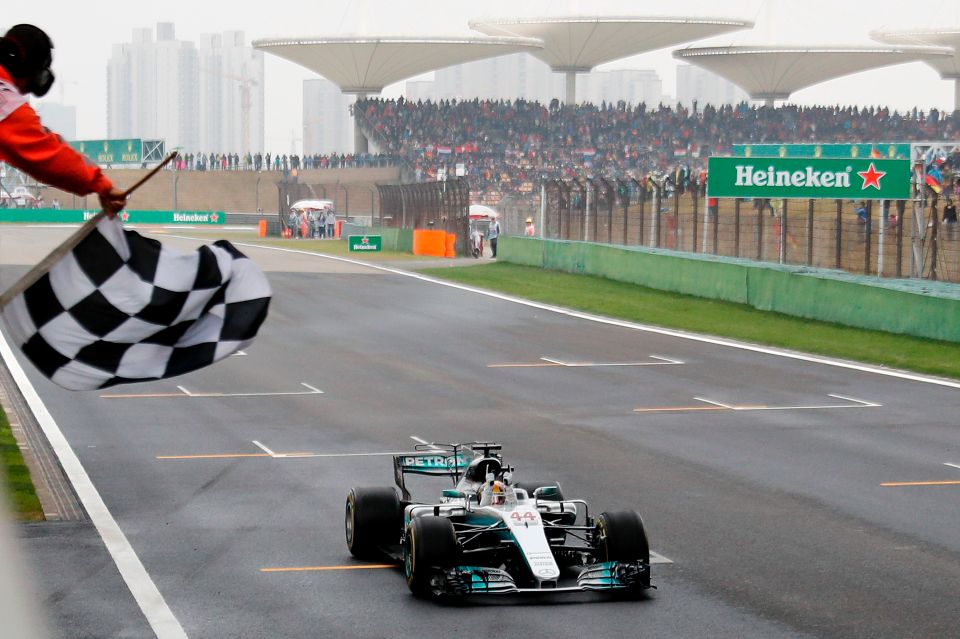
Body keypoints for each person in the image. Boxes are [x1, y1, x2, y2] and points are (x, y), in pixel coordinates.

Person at [0, 25, 125, 216]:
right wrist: (101, 184)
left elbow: (43, 139)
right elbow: (47, 154)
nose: (24, 92)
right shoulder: (5, 100)